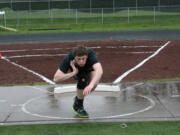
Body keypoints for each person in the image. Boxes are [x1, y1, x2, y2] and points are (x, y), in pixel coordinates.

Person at [53, 45, 103, 118]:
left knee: (94, 83)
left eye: (83, 58)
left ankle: (77, 98)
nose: (81, 61)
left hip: (88, 69)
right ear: (74, 57)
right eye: (78, 59)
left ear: (87, 56)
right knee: (83, 79)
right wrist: (73, 73)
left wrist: (91, 85)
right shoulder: (69, 58)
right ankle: (79, 106)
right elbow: (56, 79)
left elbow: (100, 70)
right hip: (77, 71)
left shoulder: (90, 54)